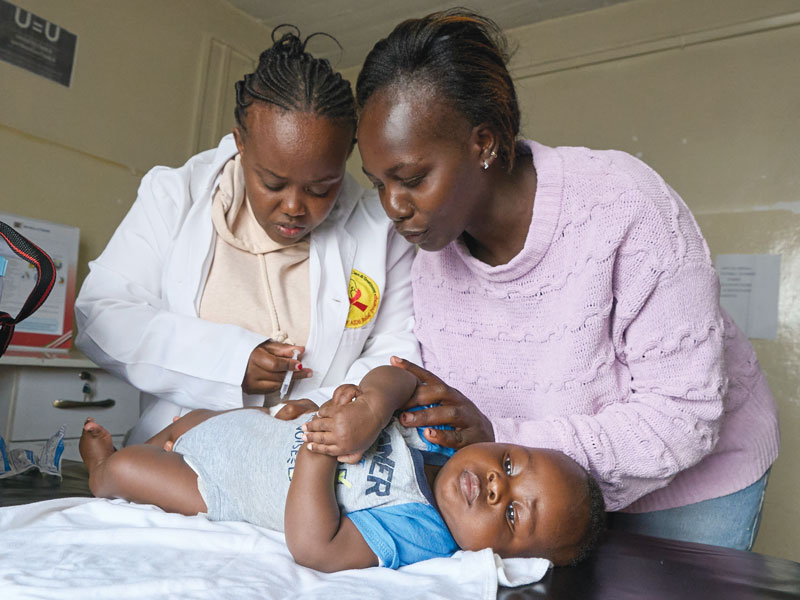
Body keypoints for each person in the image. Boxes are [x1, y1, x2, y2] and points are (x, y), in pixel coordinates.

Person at [352, 10, 779, 550]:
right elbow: (457, 416)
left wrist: (499, 437)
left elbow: (683, 418)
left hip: (695, 486)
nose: (393, 206)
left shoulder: (625, 208)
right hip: (534, 500)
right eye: (378, 183)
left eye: (411, 179)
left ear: (482, 144)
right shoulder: (431, 260)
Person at [74, 28, 419, 445]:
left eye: (320, 188)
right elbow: (103, 316)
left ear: (346, 155)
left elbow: (395, 350)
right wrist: (228, 360)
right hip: (175, 453)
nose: (294, 207)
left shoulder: (379, 231)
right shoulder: (174, 196)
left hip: (310, 460)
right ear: (241, 142)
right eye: (273, 183)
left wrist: (331, 406)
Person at [79, 365, 605, 571]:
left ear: (502, 559)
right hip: (262, 430)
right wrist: (370, 406)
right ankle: (163, 439)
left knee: (129, 471)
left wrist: (320, 448)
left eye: (512, 516)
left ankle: (102, 470)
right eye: (510, 463)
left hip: (225, 486)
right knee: (187, 423)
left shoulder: (424, 531)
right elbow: (397, 375)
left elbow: (316, 546)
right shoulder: (441, 435)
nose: (496, 486)